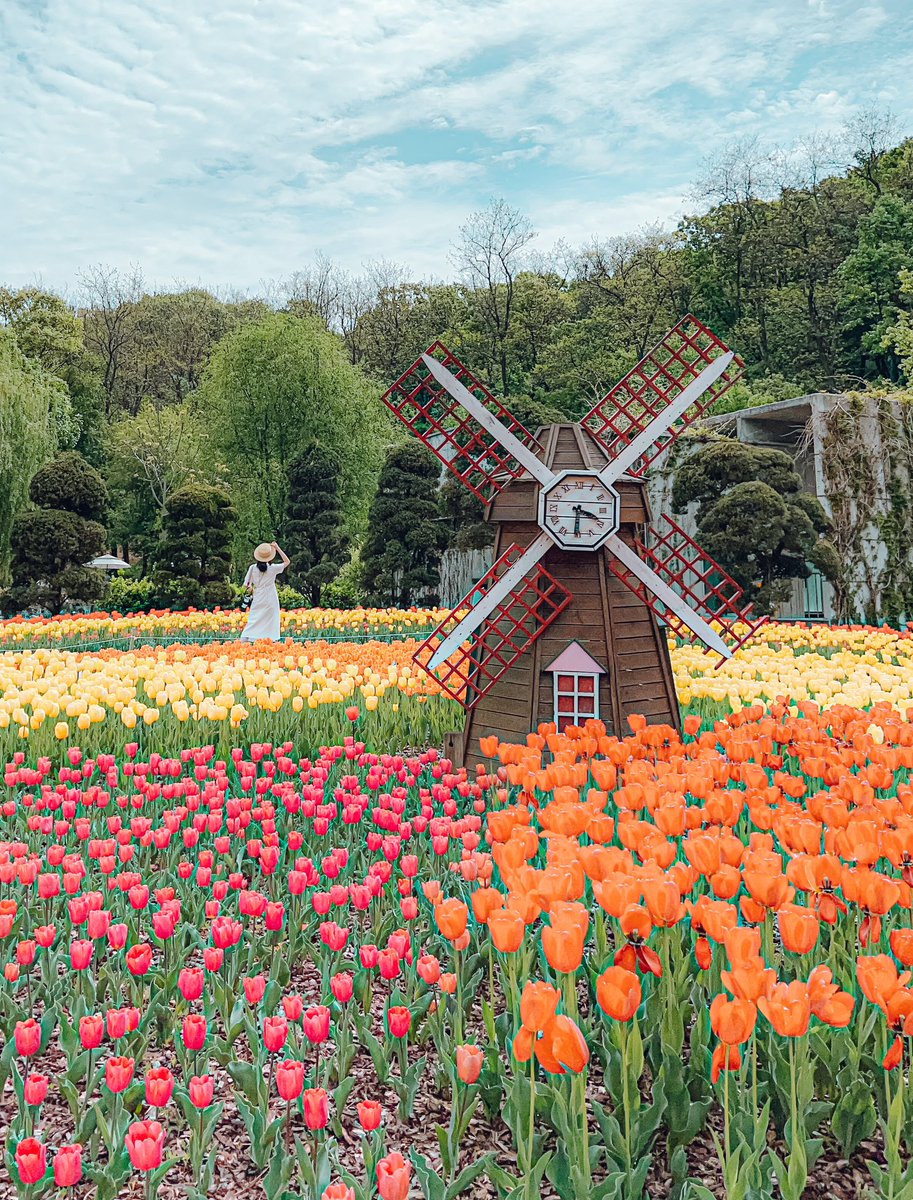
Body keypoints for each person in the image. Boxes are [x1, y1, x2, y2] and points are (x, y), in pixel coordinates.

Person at [240, 541, 290, 642]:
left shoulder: (252, 568)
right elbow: (287, 562)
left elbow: (246, 585)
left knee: (254, 618)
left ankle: (245, 639)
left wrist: (253, 590)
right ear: (270, 557)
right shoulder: (273, 568)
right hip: (271, 596)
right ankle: (270, 641)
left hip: (258, 596)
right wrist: (277, 548)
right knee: (271, 620)